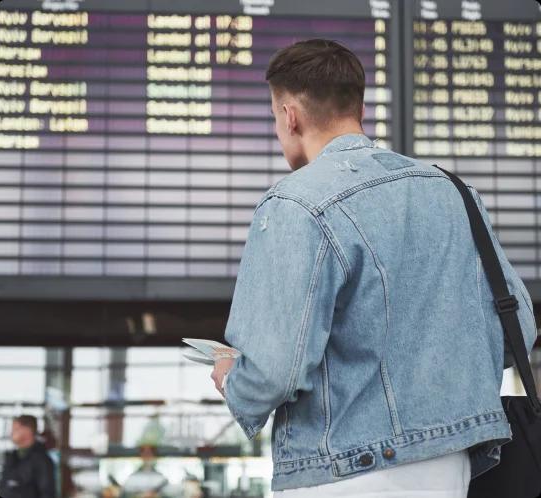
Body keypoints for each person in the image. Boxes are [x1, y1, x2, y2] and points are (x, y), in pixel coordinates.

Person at [210, 39, 538, 497]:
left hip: (342, 471)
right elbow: (518, 329)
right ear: (358, 107)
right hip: (455, 466)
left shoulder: (294, 203)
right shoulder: (456, 194)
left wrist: (233, 380)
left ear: (290, 115)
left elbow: (273, 372)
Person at [0, 415, 56, 498]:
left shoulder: (42, 460)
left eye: (15, 429)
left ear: (27, 430)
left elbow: (47, 493)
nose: (11, 433)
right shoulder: (12, 457)